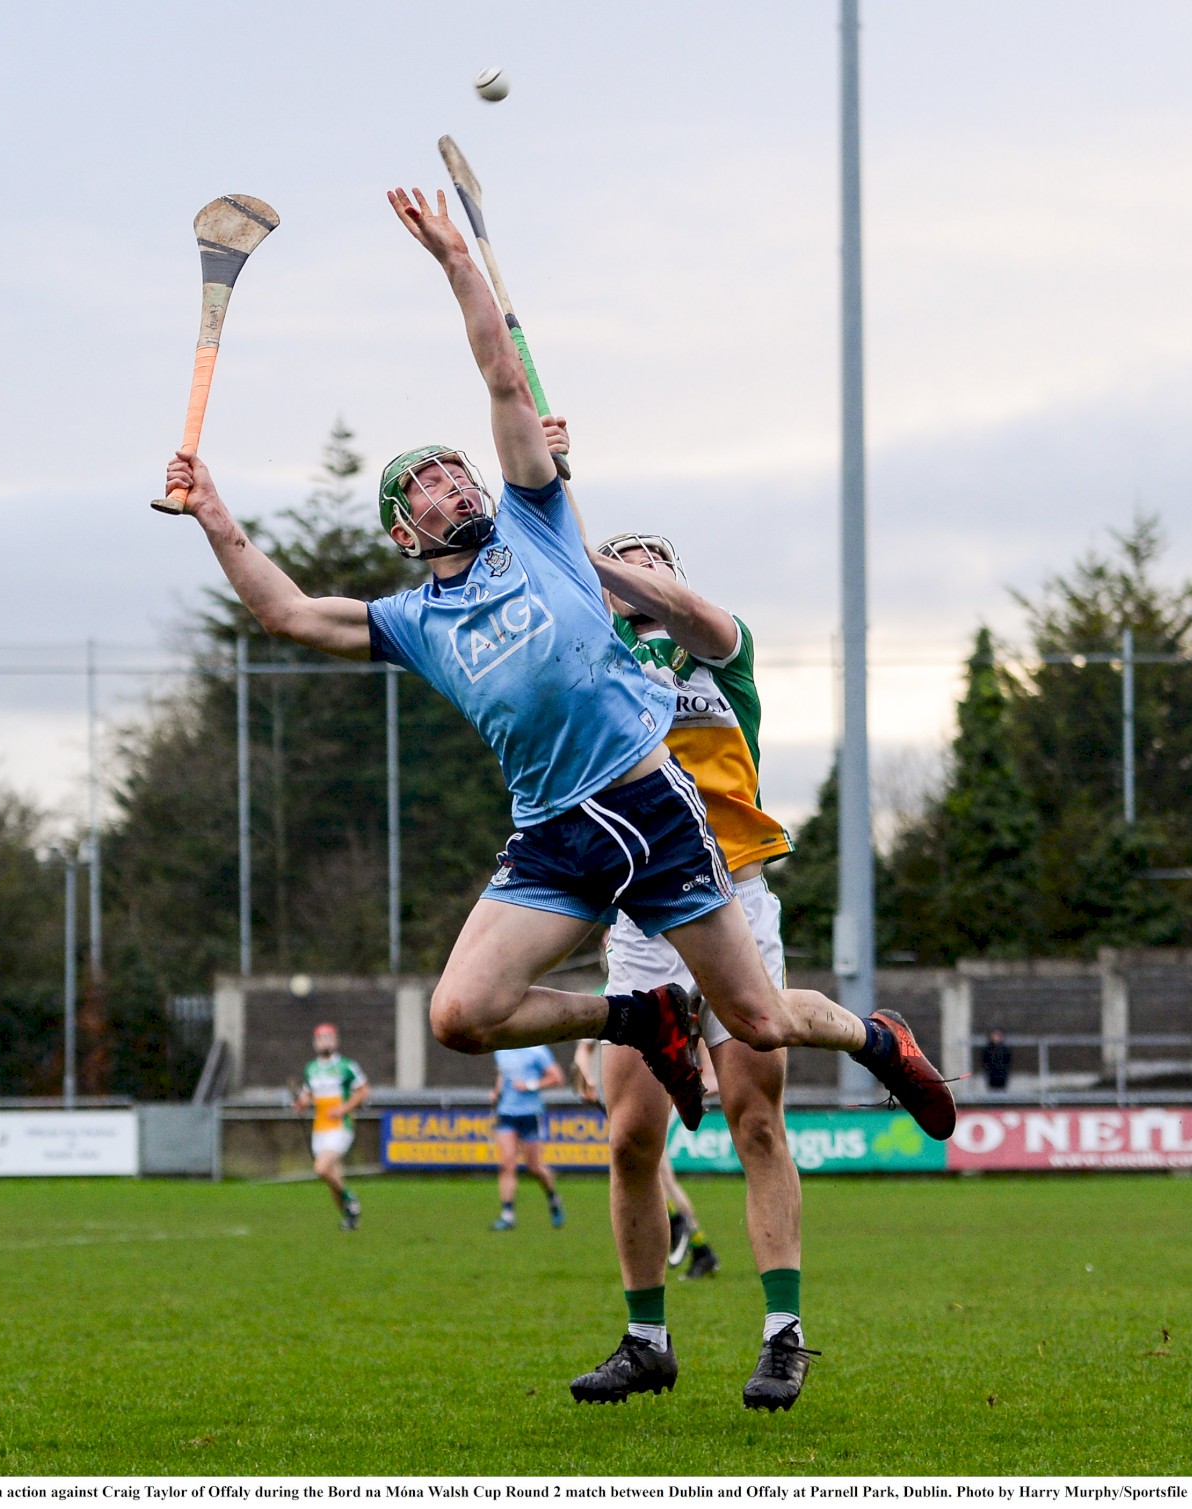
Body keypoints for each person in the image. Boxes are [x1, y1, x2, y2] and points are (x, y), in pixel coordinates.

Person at [163, 184, 951, 1173]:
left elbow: (501, 381)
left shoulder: (539, 528)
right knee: (461, 1013)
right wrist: (212, 513)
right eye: (425, 487)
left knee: (755, 1017)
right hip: (553, 832)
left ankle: (875, 1040)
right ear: (405, 535)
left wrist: (456, 263)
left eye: (455, 472)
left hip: (648, 804)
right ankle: (638, 1015)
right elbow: (285, 612)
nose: (451, 484)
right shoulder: (412, 622)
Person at [565, 528, 815, 1411]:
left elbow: (680, 609)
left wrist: (575, 538)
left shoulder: (721, 647)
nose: (641, 568)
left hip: (735, 904)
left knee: (755, 1122)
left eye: (654, 557)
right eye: (621, 557)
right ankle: (646, 1340)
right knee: (630, 1138)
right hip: (643, 919)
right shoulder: (592, 658)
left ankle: (782, 1335)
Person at [574, 1037, 720, 1277]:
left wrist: (704, 1076)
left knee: (659, 1175)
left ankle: (686, 1233)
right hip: (627, 1097)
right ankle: (698, 1246)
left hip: (655, 1096)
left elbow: (698, 1034)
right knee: (656, 1175)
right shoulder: (603, 999)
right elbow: (583, 1049)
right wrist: (586, 1079)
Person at [294, 1023, 368, 1230]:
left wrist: (343, 1109)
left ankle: (350, 1199)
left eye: (329, 1037)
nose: (325, 1041)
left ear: (336, 1041)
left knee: (321, 1168)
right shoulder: (311, 1069)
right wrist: (301, 1104)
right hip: (320, 1129)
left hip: (340, 1127)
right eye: (321, 1038)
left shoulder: (346, 1066)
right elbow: (307, 1095)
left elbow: (363, 1091)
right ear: (315, 1042)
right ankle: (350, 1219)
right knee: (332, 1178)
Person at [489, 1044, 567, 1231]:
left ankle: (553, 1198)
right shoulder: (500, 1050)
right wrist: (497, 1092)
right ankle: (507, 1215)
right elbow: (503, 1075)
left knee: (534, 1167)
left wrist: (531, 1085)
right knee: (507, 1163)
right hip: (506, 1112)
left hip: (530, 1114)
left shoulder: (538, 1051)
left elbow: (557, 1078)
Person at [983, 1027, 1013, 1092]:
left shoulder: (1005, 1049)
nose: (996, 1038)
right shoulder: (988, 1048)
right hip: (991, 1075)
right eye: (994, 1035)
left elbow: (1008, 1060)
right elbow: (984, 1060)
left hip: (1002, 1075)